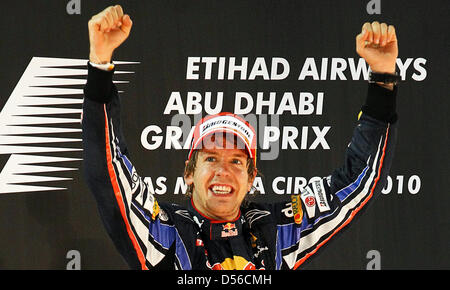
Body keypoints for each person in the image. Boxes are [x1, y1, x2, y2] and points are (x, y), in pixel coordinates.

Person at [82, 5, 399, 270]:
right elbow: (108, 174)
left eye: (236, 161)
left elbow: (359, 180)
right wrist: (100, 65)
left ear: (251, 179)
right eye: (210, 158)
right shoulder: (166, 231)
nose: (223, 170)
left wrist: (383, 80)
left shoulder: (276, 230)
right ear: (189, 174)